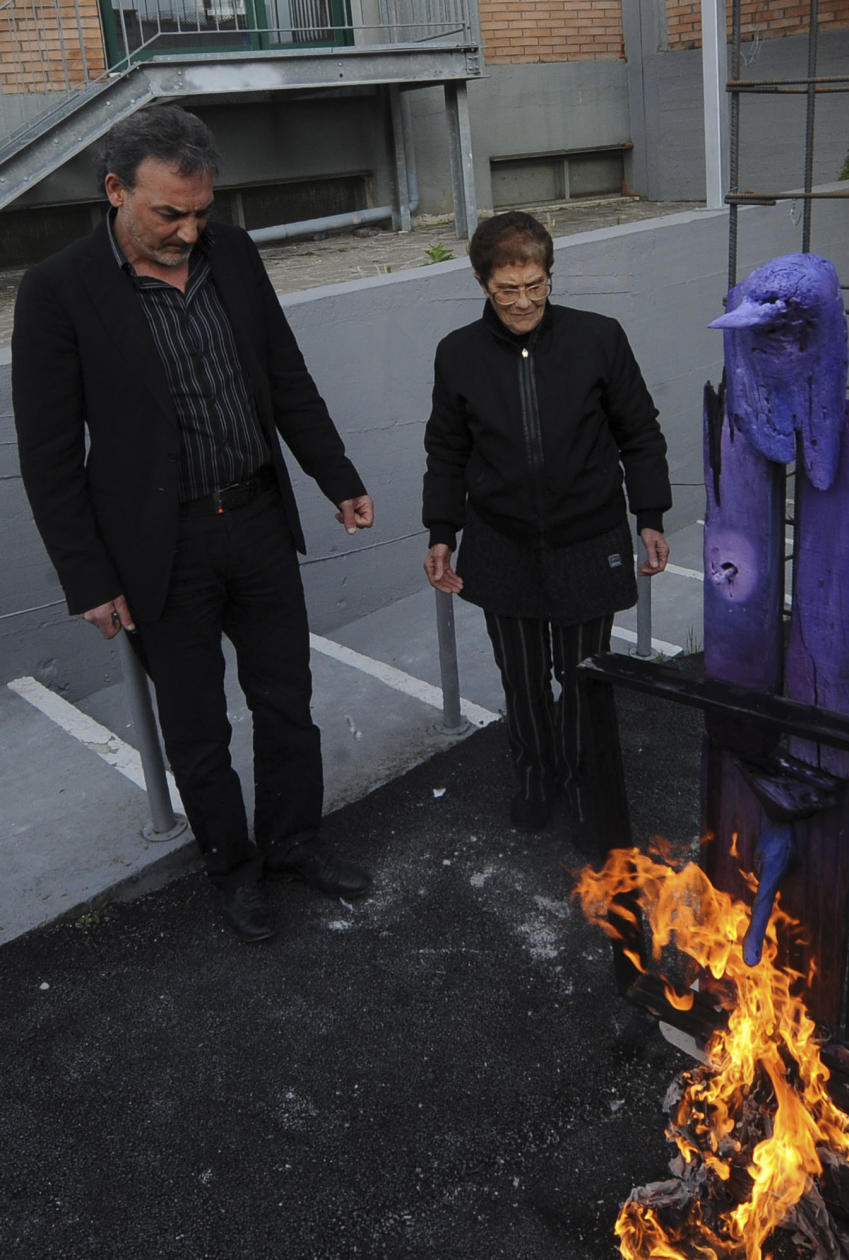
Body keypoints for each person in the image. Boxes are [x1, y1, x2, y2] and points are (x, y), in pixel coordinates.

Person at [13, 104, 374, 942]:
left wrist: (337, 475)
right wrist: (88, 577)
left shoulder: (236, 255)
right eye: (168, 213)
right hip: (159, 550)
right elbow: (49, 452)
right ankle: (235, 868)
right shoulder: (59, 290)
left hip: (255, 517)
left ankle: (293, 845)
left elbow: (285, 375)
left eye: (200, 211)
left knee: (287, 699)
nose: (188, 230)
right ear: (114, 190)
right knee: (197, 726)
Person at [422, 211, 671, 838]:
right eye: (508, 289)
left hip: (589, 539)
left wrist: (650, 515)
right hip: (502, 544)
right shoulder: (456, 354)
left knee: (585, 676)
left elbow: (639, 431)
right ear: (483, 282)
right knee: (522, 677)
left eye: (536, 285)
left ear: (550, 276)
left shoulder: (600, 337)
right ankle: (535, 775)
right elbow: (447, 451)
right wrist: (441, 533)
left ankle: (590, 789)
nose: (524, 301)